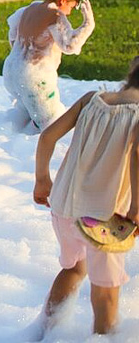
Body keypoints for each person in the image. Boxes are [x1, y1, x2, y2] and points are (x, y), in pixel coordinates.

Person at [32, 57, 139, 336]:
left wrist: (42, 179)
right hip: (104, 217)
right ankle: (103, 338)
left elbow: (47, 137)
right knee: (106, 290)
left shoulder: (92, 99)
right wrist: (137, 206)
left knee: (74, 269)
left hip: (64, 205)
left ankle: (45, 333)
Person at [2, 0, 95, 132]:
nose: (69, 13)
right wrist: (88, 24)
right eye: (71, 7)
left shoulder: (29, 8)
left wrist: (21, 58)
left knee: (24, 117)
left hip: (11, 71)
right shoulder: (55, 14)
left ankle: (7, 139)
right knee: (52, 127)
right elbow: (70, 45)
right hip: (34, 78)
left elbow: (12, 33)